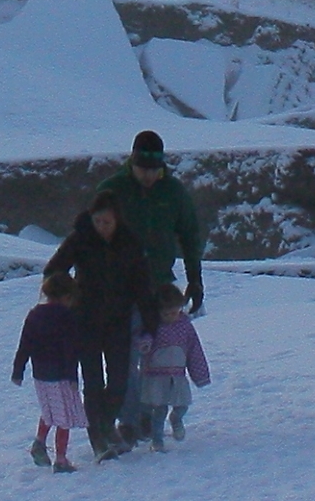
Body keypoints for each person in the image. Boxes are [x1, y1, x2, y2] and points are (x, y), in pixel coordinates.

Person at [49, 191, 159, 460]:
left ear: (117, 220)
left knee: (120, 380)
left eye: (107, 222)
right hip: (85, 321)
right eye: (97, 221)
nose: (102, 227)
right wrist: (69, 296)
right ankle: (97, 439)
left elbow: (142, 285)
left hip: (118, 321)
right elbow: (54, 269)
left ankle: (106, 425)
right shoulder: (80, 238)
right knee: (93, 382)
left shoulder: (130, 243)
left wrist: (150, 323)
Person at [98, 131, 206, 316]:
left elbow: (190, 236)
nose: (148, 175)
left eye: (153, 169)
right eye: (142, 169)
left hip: (159, 286)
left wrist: (195, 280)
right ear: (132, 161)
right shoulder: (112, 190)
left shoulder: (173, 192)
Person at [11, 269, 84, 472]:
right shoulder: (67, 317)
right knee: (65, 417)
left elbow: (24, 344)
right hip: (60, 374)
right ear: (68, 296)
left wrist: (18, 370)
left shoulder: (34, 315)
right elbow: (70, 348)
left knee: (50, 409)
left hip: (41, 374)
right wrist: (72, 375)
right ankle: (61, 459)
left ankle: (40, 442)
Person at [136, 283, 211, 448]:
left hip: (177, 375)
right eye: (166, 313)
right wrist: (144, 344)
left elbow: (194, 350)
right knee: (159, 409)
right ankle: (157, 440)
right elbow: (142, 342)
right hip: (156, 376)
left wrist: (200, 374)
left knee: (182, 404)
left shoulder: (185, 327)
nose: (171, 316)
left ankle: (176, 419)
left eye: (175, 312)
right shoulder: (152, 326)